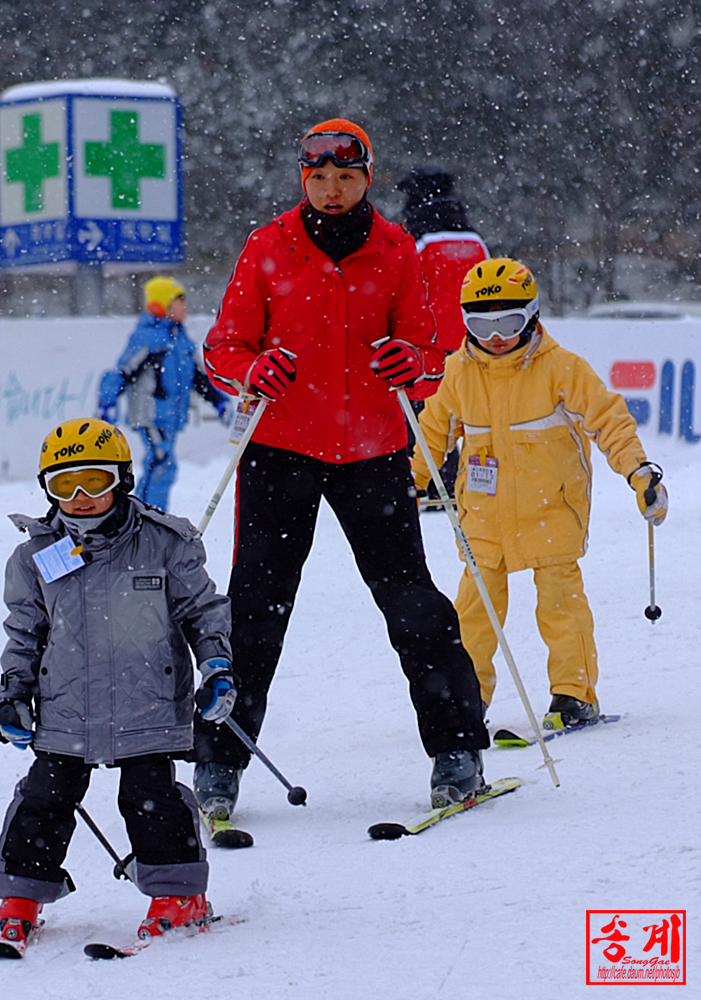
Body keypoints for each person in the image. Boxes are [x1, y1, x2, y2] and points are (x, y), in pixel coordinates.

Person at [196, 118, 490, 822]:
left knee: (412, 603)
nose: (331, 190)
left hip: (375, 452)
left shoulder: (396, 250)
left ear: (367, 177)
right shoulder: (268, 247)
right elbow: (223, 347)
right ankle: (218, 761)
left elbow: (428, 348)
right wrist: (252, 368)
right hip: (280, 450)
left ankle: (457, 750)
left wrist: (411, 362)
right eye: (318, 177)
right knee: (254, 612)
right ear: (304, 178)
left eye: (346, 177)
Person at [0, 417, 235, 953]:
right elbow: (24, 634)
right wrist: (12, 695)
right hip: (65, 710)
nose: (79, 499)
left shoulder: (165, 543)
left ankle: (178, 897)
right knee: (44, 798)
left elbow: (203, 612)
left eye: (94, 482)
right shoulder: (35, 556)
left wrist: (216, 665)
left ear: (122, 479)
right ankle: (22, 896)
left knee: (151, 798)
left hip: (148, 706)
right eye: (63, 486)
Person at [411, 258, 668, 726]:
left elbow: (609, 421)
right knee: (474, 611)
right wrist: (409, 483)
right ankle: (468, 699)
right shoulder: (458, 373)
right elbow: (430, 435)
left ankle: (574, 693)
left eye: (507, 322)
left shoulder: (562, 368)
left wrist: (639, 473)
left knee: (560, 604)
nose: (494, 336)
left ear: (529, 314)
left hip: (552, 509)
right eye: (479, 324)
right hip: (483, 514)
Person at [97, 276, 229, 513]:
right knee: (162, 462)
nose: (185, 307)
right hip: (150, 415)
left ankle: (144, 515)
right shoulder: (148, 338)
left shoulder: (181, 339)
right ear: (162, 305)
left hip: (170, 417)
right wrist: (107, 401)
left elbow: (200, 378)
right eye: (179, 301)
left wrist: (219, 401)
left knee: (159, 464)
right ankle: (150, 517)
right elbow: (122, 371)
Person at [397, 166, 489, 506]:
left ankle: (425, 482)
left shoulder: (415, 239)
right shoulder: (474, 239)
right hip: (472, 342)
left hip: (427, 346)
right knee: (462, 416)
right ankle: (460, 483)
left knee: (422, 418)